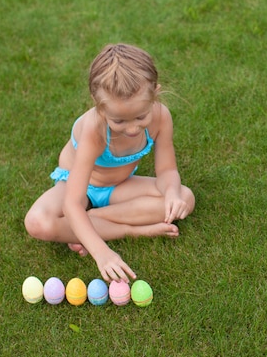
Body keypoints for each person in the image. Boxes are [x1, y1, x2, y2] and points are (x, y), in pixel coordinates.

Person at [24, 43, 195, 283]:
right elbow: (73, 202)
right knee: (37, 222)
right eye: (119, 121)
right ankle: (132, 230)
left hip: (118, 186)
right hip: (76, 186)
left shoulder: (161, 117)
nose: (133, 128)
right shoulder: (94, 131)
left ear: (155, 93)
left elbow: (166, 170)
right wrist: (101, 253)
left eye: (141, 116)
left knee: (184, 198)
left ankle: (83, 226)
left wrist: (172, 195)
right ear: (99, 105)